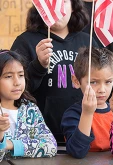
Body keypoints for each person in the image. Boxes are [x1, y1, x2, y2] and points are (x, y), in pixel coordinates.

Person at [10, 0, 98, 147]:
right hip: (39, 136)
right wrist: (38, 65)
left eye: (63, 2)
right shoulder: (25, 41)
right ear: (40, 8)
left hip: (83, 132)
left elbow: (102, 82)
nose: (57, 8)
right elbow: (15, 91)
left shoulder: (87, 41)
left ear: (73, 7)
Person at [61, 47, 113, 159]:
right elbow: (77, 151)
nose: (102, 89)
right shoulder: (72, 115)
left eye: (108, 82)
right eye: (93, 82)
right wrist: (87, 114)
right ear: (76, 81)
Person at [0, 50, 57, 162]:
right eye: (8, 76)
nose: (17, 82)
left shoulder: (30, 109)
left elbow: (51, 146)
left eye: (21, 75)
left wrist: (12, 145)